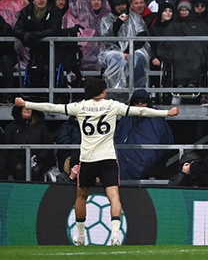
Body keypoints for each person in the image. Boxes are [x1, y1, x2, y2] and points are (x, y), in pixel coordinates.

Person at [13, 78, 179, 246]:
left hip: (88, 160)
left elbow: (52, 108)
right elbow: (141, 112)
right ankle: (115, 235)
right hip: (108, 159)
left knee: (81, 197)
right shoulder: (112, 106)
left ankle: (81, 236)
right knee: (114, 196)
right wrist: (166, 113)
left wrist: (26, 102)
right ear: (103, 91)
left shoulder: (79, 107)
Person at [115, 89, 174, 180]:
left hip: (152, 159)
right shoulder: (127, 118)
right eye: (137, 102)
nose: (140, 105)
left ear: (148, 102)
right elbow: (119, 138)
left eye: (143, 102)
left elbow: (165, 137)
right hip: (129, 160)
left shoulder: (156, 117)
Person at [13, 0, 62, 88]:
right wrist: (26, 35)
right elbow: (17, 30)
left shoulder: (54, 10)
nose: (41, 0)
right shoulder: (26, 12)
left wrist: (35, 35)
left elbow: (55, 30)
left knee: (49, 69)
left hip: (52, 50)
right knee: (34, 70)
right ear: (33, 1)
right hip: (34, 50)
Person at [99, 0, 150, 89]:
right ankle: (116, 89)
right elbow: (107, 39)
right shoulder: (106, 20)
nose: (121, 7)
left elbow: (142, 34)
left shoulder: (135, 17)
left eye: (123, 4)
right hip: (112, 51)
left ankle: (138, 90)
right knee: (116, 58)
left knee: (137, 59)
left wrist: (128, 50)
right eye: (118, 5)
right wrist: (117, 23)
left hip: (134, 50)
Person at [0, 105, 54, 181]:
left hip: (38, 159)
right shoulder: (11, 127)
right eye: (23, 107)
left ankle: (36, 191)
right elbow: (5, 149)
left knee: (37, 170)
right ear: (19, 110)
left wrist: (38, 159)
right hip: (16, 160)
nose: (27, 109)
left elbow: (49, 147)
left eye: (29, 107)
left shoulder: (41, 127)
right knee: (18, 168)